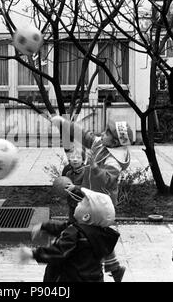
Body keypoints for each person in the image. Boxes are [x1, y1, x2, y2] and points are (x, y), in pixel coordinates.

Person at [51, 116, 133, 282]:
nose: (103, 133)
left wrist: (95, 168)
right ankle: (114, 268)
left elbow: (109, 181)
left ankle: (93, 265)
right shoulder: (101, 143)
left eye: (108, 133)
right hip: (91, 196)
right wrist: (65, 125)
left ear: (116, 142)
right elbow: (85, 135)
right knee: (96, 234)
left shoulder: (113, 160)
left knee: (92, 233)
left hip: (101, 204)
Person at [19, 187, 120, 282]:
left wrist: (33, 254)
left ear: (86, 216)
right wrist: (45, 226)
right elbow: (64, 227)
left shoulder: (75, 233)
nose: (78, 203)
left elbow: (58, 252)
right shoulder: (100, 235)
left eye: (81, 203)